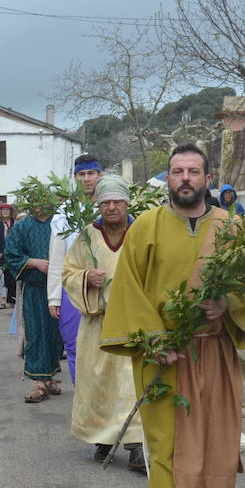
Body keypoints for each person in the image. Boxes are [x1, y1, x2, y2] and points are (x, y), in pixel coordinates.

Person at [101, 144, 245, 488]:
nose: (185, 178)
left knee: (207, 438)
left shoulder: (231, 228)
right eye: (177, 171)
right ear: (168, 179)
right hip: (162, 354)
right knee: (168, 440)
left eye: (193, 171)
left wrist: (227, 304)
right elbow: (129, 290)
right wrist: (155, 339)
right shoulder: (147, 227)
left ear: (208, 179)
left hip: (212, 349)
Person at [60, 175, 146, 471]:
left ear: (126, 203)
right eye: (105, 202)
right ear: (98, 204)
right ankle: (103, 439)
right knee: (100, 381)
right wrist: (86, 278)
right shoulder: (87, 236)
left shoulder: (142, 233)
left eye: (117, 202)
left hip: (134, 323)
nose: (111, 207)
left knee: (131, 382)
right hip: (98, 323)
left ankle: (136, 445)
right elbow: (68, 272)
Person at [48, 154, 103, 389]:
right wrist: (54, 296)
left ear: (100, 175)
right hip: (73, 289)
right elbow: (57, 256)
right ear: (75, 178)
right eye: (82, 174)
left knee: (108, 347)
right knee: (74, 346)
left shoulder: (112, 207)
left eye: (91, 173)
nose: (87, 179)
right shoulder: (64, 215)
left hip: (106, 287)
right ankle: (83, 401)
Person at [4, 201, 62, 401]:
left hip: (60, 289)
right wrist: (34, 263)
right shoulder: (23, 226)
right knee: (36, 333)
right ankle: (40, 383)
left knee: (56, 334)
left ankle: (50, 377)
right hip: (35, 290)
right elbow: (11, 254)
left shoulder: (59, 223)